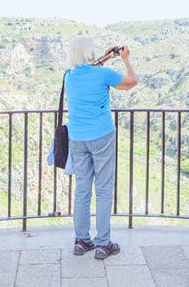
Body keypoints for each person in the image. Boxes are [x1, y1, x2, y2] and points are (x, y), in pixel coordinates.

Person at [65, 36, 138, 260]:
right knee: (104, 189)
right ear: (90, 53)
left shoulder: (69, 76)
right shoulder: (102, 74)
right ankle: (103, 244)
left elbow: (88, 69)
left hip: (77, 138)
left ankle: (81, 240)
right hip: (101, 136)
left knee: (82, 189)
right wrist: (125, 59)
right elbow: (131, 81)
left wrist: (106, 57)